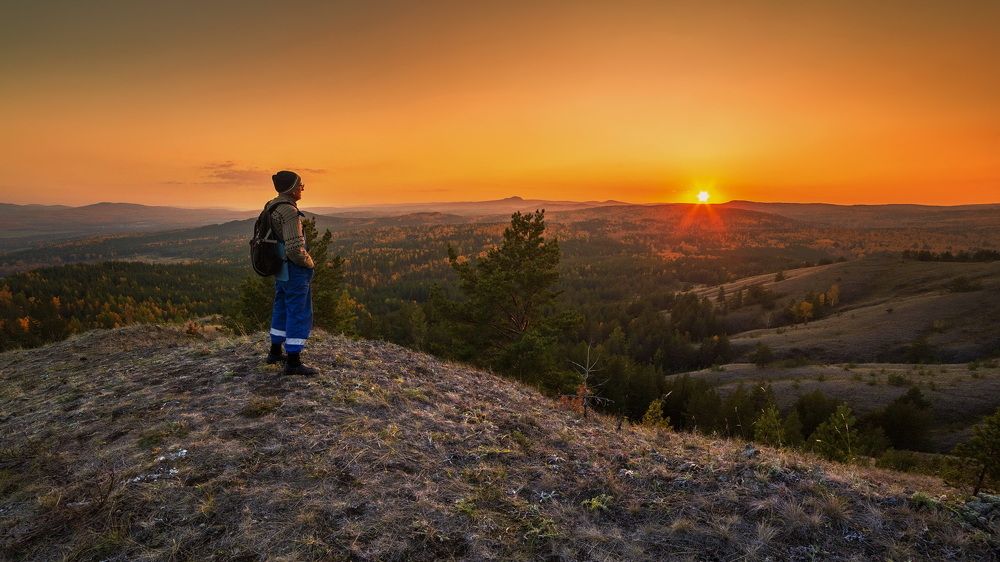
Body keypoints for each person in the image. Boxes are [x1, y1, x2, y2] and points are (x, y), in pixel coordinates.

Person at [265, 170, 319, 376]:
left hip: (280, 267)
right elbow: (295, 248)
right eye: (300, 185)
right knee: (298, 310)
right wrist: (309, 262)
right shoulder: (289, 211)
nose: (302, 188)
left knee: (281, 305)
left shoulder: (271, 205)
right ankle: (294, 361)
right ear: (292, 188)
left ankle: (275, 351)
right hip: (293, 267)